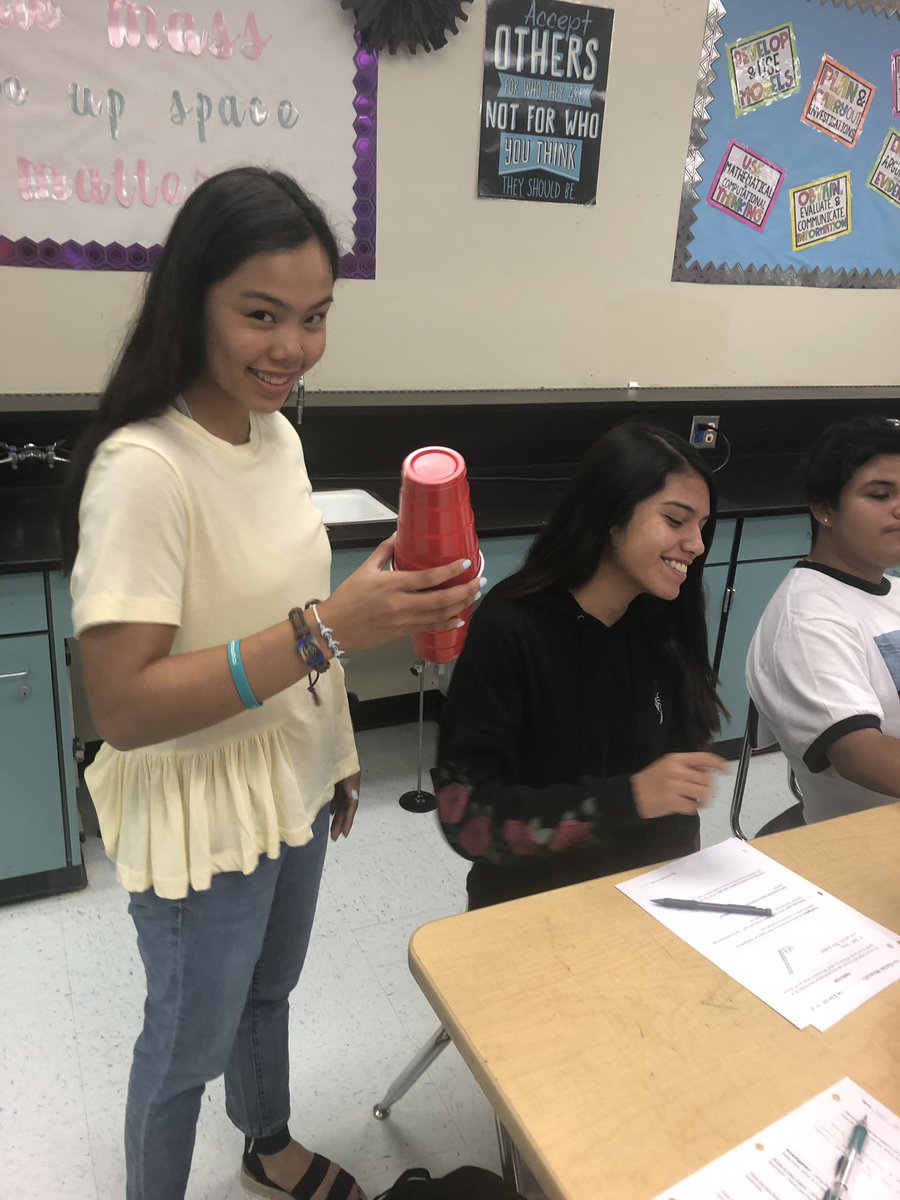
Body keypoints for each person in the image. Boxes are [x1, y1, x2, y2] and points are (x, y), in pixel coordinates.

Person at [61, 167, 482, 1200]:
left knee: (271, 991)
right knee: (183, 1046)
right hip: (203, 802)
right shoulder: (144, 468)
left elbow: (294, 619)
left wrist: (335, 753)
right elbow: (121, 704)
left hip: (288, 779)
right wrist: (332, 626)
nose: (292, 348)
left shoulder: (278, 435)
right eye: (261, 316)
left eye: (315, 317)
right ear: (191, 299)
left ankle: (270, 1143)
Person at [433, 421, 727, 910]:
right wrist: (626, 799)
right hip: (529, 905)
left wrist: (681, 891)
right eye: (676, 521)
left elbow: (676, 795)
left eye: (702, 526)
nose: (696, 545)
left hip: (644, 899)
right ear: (610, 518)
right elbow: (469, 822)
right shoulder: (512, 628)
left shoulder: (663, 619)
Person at [747, 415, 900, 824]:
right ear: (824, 510)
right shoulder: (807, 619)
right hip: (868, 845)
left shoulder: (892, 588)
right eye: (880, 494)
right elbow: (860, 754)